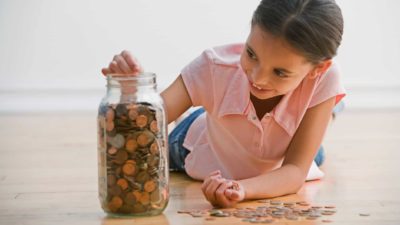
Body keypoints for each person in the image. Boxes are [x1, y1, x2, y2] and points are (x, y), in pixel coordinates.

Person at [101, 0, 345, 208]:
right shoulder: (214, 66)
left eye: (280, 72)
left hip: (280, 154)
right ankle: (329, 109)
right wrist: (134, 94)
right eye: (251, 54)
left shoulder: (326, 77)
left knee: (315, 151)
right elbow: (145, 124)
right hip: (200, 143)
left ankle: (329, 109)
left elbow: (294, 171)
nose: (258, 78)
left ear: (319, 68)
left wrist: (240, 189)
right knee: (182, 131)